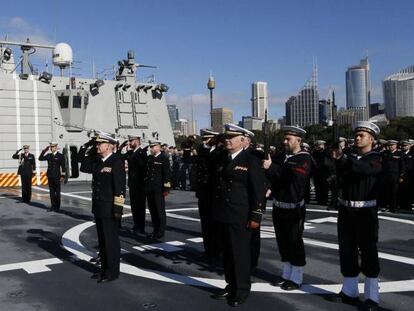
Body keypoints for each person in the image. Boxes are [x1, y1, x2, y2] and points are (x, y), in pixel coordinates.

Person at [210, 124, 266, 307]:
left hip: (241, 214)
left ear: (243, 140)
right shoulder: (222, 157)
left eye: (232, 137)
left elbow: (258, 190)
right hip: (224, 213)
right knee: (227, 253)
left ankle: (241, 290)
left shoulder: (251, 159)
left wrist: (256, 215)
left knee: (240, 254)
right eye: (227, 137)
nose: (228, 139)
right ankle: (230, 284)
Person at [330, 121, 382, 310]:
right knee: (347, 250)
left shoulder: (376, 158)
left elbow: (364, 169)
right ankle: (349, 292)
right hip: (346, 210)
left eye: (362, 135)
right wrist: (336, 158)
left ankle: (372, 296)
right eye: (356, 134)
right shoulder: (351, 157)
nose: (357, 138)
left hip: (365, 212)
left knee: (368, 252)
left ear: (372, 139)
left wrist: (342, 158)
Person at [263, 125, 313, 291]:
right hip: (279, 206)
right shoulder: (281, 157)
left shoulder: (304, 158)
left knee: (294, 241)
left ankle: (297, 276)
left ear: (298, 140)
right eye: (284, 138)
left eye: (288, 139)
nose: (284, 141)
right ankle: (286, 273)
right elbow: (274, 177)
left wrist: (272, 167)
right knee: (282, 241)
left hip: (294, 208)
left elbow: (292, 177)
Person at [81, 133, 126, 283]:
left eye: (100, 144)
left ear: (109, 145)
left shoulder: (116, 161)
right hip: (99, 207)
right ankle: (104, 269)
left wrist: (118, 209)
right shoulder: (99, 162)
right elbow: (84, 166)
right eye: (97, 144)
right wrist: (87, 147)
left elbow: (119, 188)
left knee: (110, 241)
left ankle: (112, 272)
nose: (97, 146)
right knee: (102, 241)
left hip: (110, 208)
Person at [195, 129, 219, 259]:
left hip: (214, 193)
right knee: (205, 223)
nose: (205, 142)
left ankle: (216, 251)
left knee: (215, 224)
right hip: (203, 192)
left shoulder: (220, 152)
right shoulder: (203, 150)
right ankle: (208, 249)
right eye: (204, 139)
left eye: (208, 139)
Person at [118, 135, 148, 235]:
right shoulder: (131, 153)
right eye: (129, 141)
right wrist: (120, 148)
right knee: (134, 207)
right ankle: (136, 226)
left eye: (131, 141)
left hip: (140, 184)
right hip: (132, 184)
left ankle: (141, 227)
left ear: (137, 141)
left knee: (140, 207)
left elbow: (143, 167)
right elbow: (119, 157)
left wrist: (136, 155)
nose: (130, 143)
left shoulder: (142, 152)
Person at [144, 141, 171, 240]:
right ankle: (155, 230)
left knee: (159, 211)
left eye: (153, 147)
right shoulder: (150, 158)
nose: (151, 149)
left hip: (159, 189)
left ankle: (160, 231)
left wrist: (166, 188)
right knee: (152, 211)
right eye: (150, 147)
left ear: (158, 147)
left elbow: (167, 173)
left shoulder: (164, 158)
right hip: (150, 188)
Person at [38, 142, 66, 211]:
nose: (51, 148)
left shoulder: (60, 156)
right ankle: (53, 206)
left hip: (57, 176)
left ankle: (57, 206)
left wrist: (62, 176)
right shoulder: (48, 155)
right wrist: (44, 151)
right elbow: (40, 158)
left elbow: (63, 166)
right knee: (51, 192)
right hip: (50, 175)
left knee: (57, 192)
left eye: (53, 147)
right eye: (51, 147)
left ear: (56, 147)